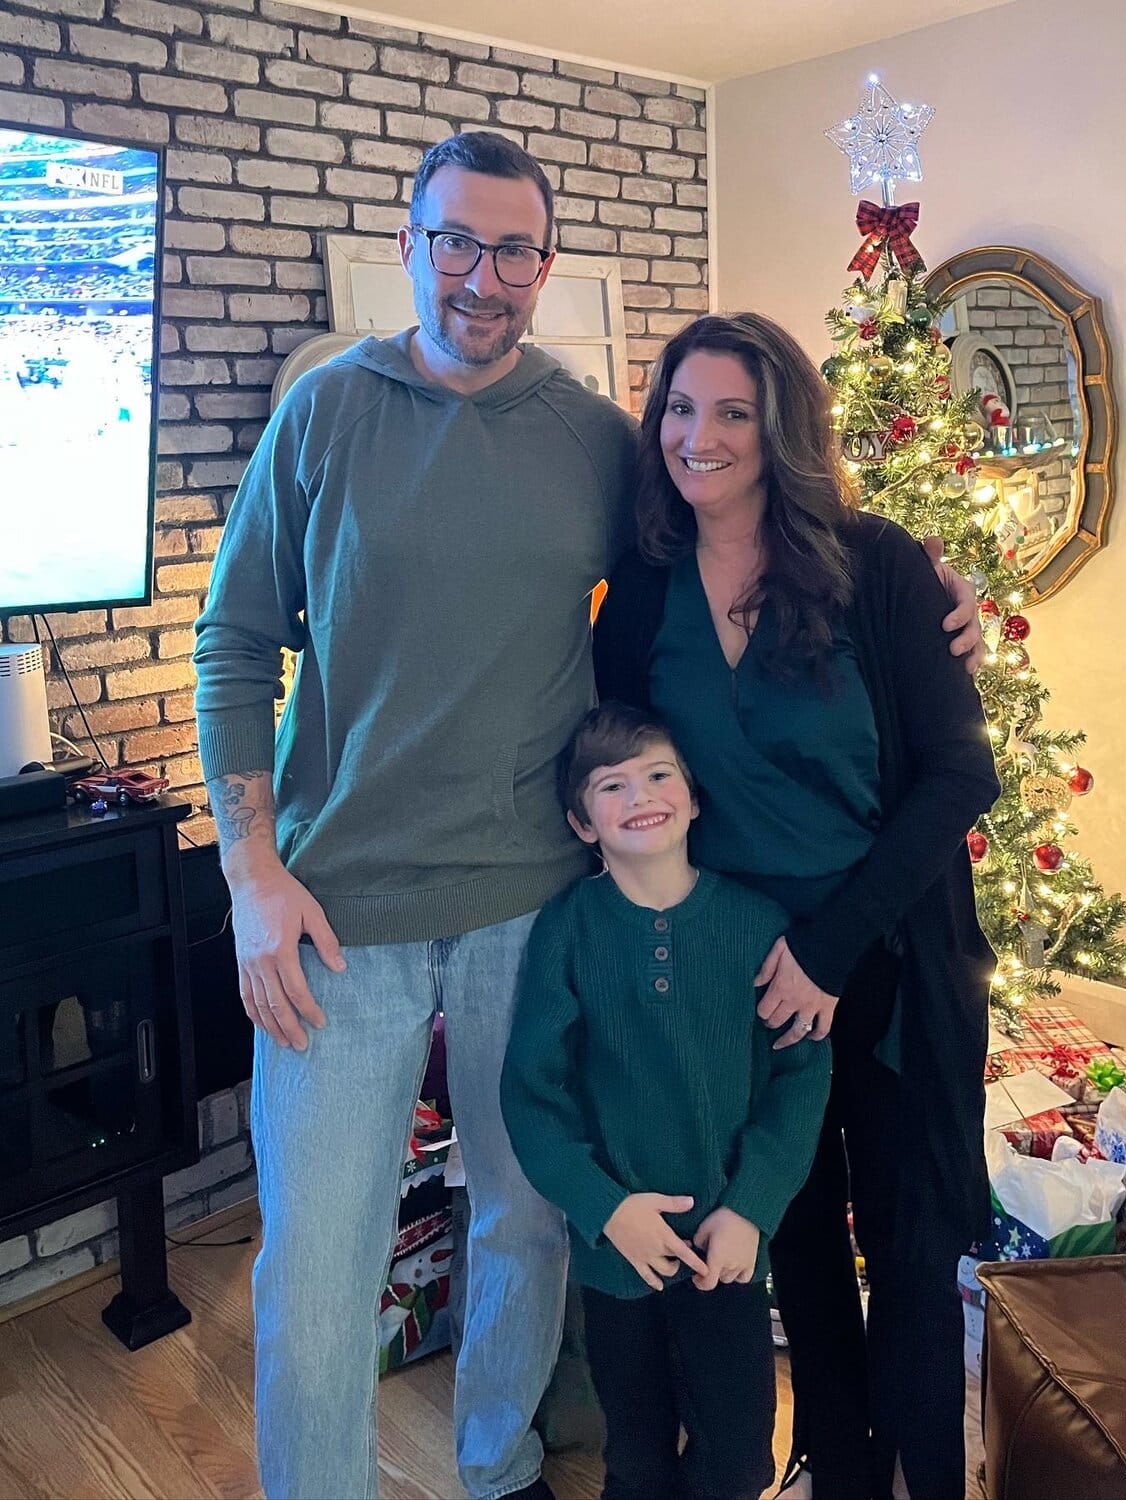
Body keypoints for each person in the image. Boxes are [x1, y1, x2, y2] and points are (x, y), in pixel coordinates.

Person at [194, 128, 983, 1499]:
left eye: (515, 250)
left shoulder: (595, 441)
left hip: (544, 908)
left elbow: (752, 528)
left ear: (545, 265)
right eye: (458, 241)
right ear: (412, 244)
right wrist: (250, 870)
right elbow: (235, 641)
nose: (483, 277)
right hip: (339, 912)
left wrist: (935, 588)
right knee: (318, 1271)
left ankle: (500, 1470)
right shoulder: (325, 413)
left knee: (530, 1228)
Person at [592, 312, 1002, 1500]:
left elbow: (961, 774)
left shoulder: (876, 565)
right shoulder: (640, 590)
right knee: (799, 1241)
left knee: (912, 1256)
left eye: (735, 412)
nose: (701, 436)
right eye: (680, 408)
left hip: (886, 966)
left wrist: (826, 951)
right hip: (736, 982)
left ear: (783, 429)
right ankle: (841, 1470)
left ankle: (926, 1474)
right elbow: (624, 769)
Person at [501, 702, 832, 1500]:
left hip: (727, 1251)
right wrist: (605, 1208)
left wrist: (752, 1208)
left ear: (692, 796)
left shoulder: (757, 925)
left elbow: (800, 1079)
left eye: (658, 775)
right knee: (636, 1457)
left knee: (738, 1463)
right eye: (612, 785)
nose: (641, 795)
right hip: (619, 1255)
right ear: (582, 823)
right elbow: (532, 1094)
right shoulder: (567, 930)